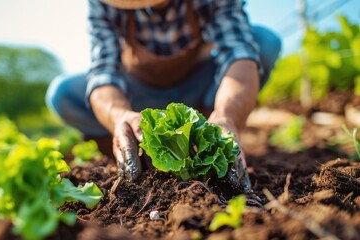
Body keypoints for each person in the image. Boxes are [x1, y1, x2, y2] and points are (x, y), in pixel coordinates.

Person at [46, 0, 281, 192]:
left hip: (200, 88)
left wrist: (227, 116)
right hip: (139, 97)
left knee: (264, 43)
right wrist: (119, 115)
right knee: (63, 93)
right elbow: (104, 71)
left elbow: (238, 53)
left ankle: (206, 129)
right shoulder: (104, 4)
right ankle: (133, 146)